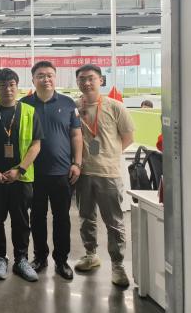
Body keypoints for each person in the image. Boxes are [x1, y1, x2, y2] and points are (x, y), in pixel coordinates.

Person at [74, 64, 135, 288]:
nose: (86, 83)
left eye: (91, 78)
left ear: (101, 80)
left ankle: (118, 265)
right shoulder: (74, 107)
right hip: (83, 172)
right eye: (82, 79)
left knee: (114, 222)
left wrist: (108, 156)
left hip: (108, 173)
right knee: (86, 217)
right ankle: (91, 254)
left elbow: (127, 137)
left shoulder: (115, 106)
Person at [21, 61, 83, 280]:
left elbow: (76, 135)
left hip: (62, 173)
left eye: (49, 75)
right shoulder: (24, 104)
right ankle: (39, 257)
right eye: (40, 75)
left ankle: (61, 260)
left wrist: (77, 163)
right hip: (33, 173)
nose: (45, 79)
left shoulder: (68, 103)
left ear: (55, 78)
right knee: (37, 217)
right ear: (33, 79)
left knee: (61, 218)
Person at [0, 68, 43, 282]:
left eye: (11, 85)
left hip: (21, 177)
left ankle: (21, 259)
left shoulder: (29, 111)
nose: (8, 89)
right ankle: (0, 257)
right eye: (2, 85)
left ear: (17, 87)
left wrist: (20, 169)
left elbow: (36, 144)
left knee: (21, 220)